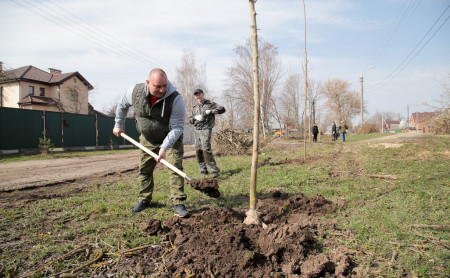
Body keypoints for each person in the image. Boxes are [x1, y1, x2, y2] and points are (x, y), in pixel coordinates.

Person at [113, 68, 189, 217]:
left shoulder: (175, 99)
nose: (162, 90)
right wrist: (118, 124)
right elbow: (122, 104)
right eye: (157, 86)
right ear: (148, 83)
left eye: (164, 86)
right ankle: (144, 200)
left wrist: (164, 147)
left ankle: (178, 203)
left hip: (171, 139)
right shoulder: (135, 92)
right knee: (145, 170)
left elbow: (177, 127)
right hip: (147, 139)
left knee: (174, 169)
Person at [189, 89, 225, 178]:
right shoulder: (194, 108)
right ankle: (203, 170)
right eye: (196, 95)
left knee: (206, 149)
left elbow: (222, 109)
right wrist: (195, 118)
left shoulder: (210, 104)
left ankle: (214, 170)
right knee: (198, 150)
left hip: (206, 129)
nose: (198, 96)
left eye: (199, 94)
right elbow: (190, 119)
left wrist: (211, 111)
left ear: (203, 94)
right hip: (197, 130)